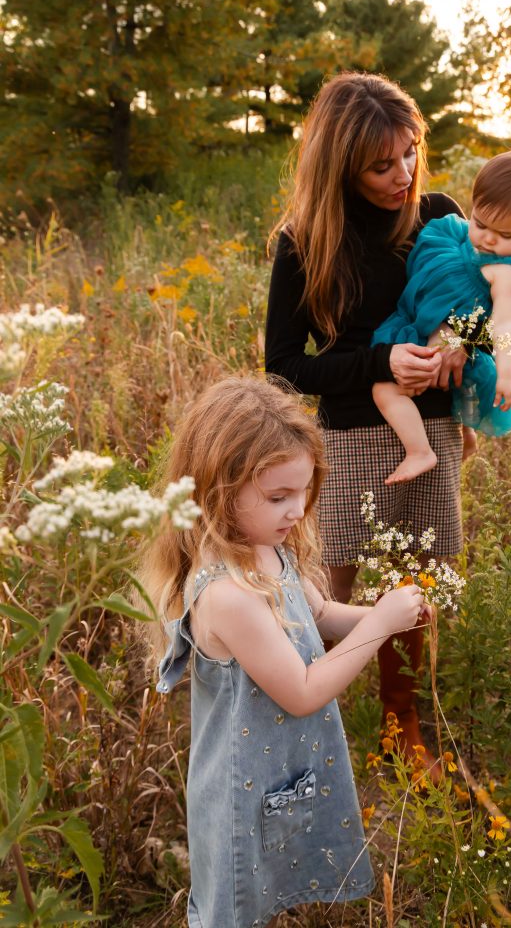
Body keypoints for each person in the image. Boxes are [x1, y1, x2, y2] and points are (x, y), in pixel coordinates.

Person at [141, 376, 429, 928]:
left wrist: (387, 616)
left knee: (267, 895)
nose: (297, 510)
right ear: (218, 491)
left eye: (304, 491)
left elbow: (318, 616)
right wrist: (382, 626)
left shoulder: (269, 551)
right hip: (239, 793)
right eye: (278, 497)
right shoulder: (228, 595)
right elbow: (302, 692)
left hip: (276, 774)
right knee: (234, 907)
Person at [265, 72, 467, 780]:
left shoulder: (437, 219)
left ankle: (400, 725)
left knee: (415, 590)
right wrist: (381, 360)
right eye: (381, 165)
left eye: (410, 153)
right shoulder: (304, 242)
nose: (403, 175)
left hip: (431, 431)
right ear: (339, 166)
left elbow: (479, 298)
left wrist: (459, 345)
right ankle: (293, 724)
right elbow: (284, 364)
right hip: (351, 435)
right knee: (325, 592)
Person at [372, 148, 511, 484]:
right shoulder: (450, 231)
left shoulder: (505, 274)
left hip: (453, 345)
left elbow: (503, 325)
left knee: (385, 390)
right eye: (481, 223)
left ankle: (419, 451)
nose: (487, 239)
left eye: (505, 235)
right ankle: (466, 437)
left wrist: (506, 374)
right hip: (415, 325)